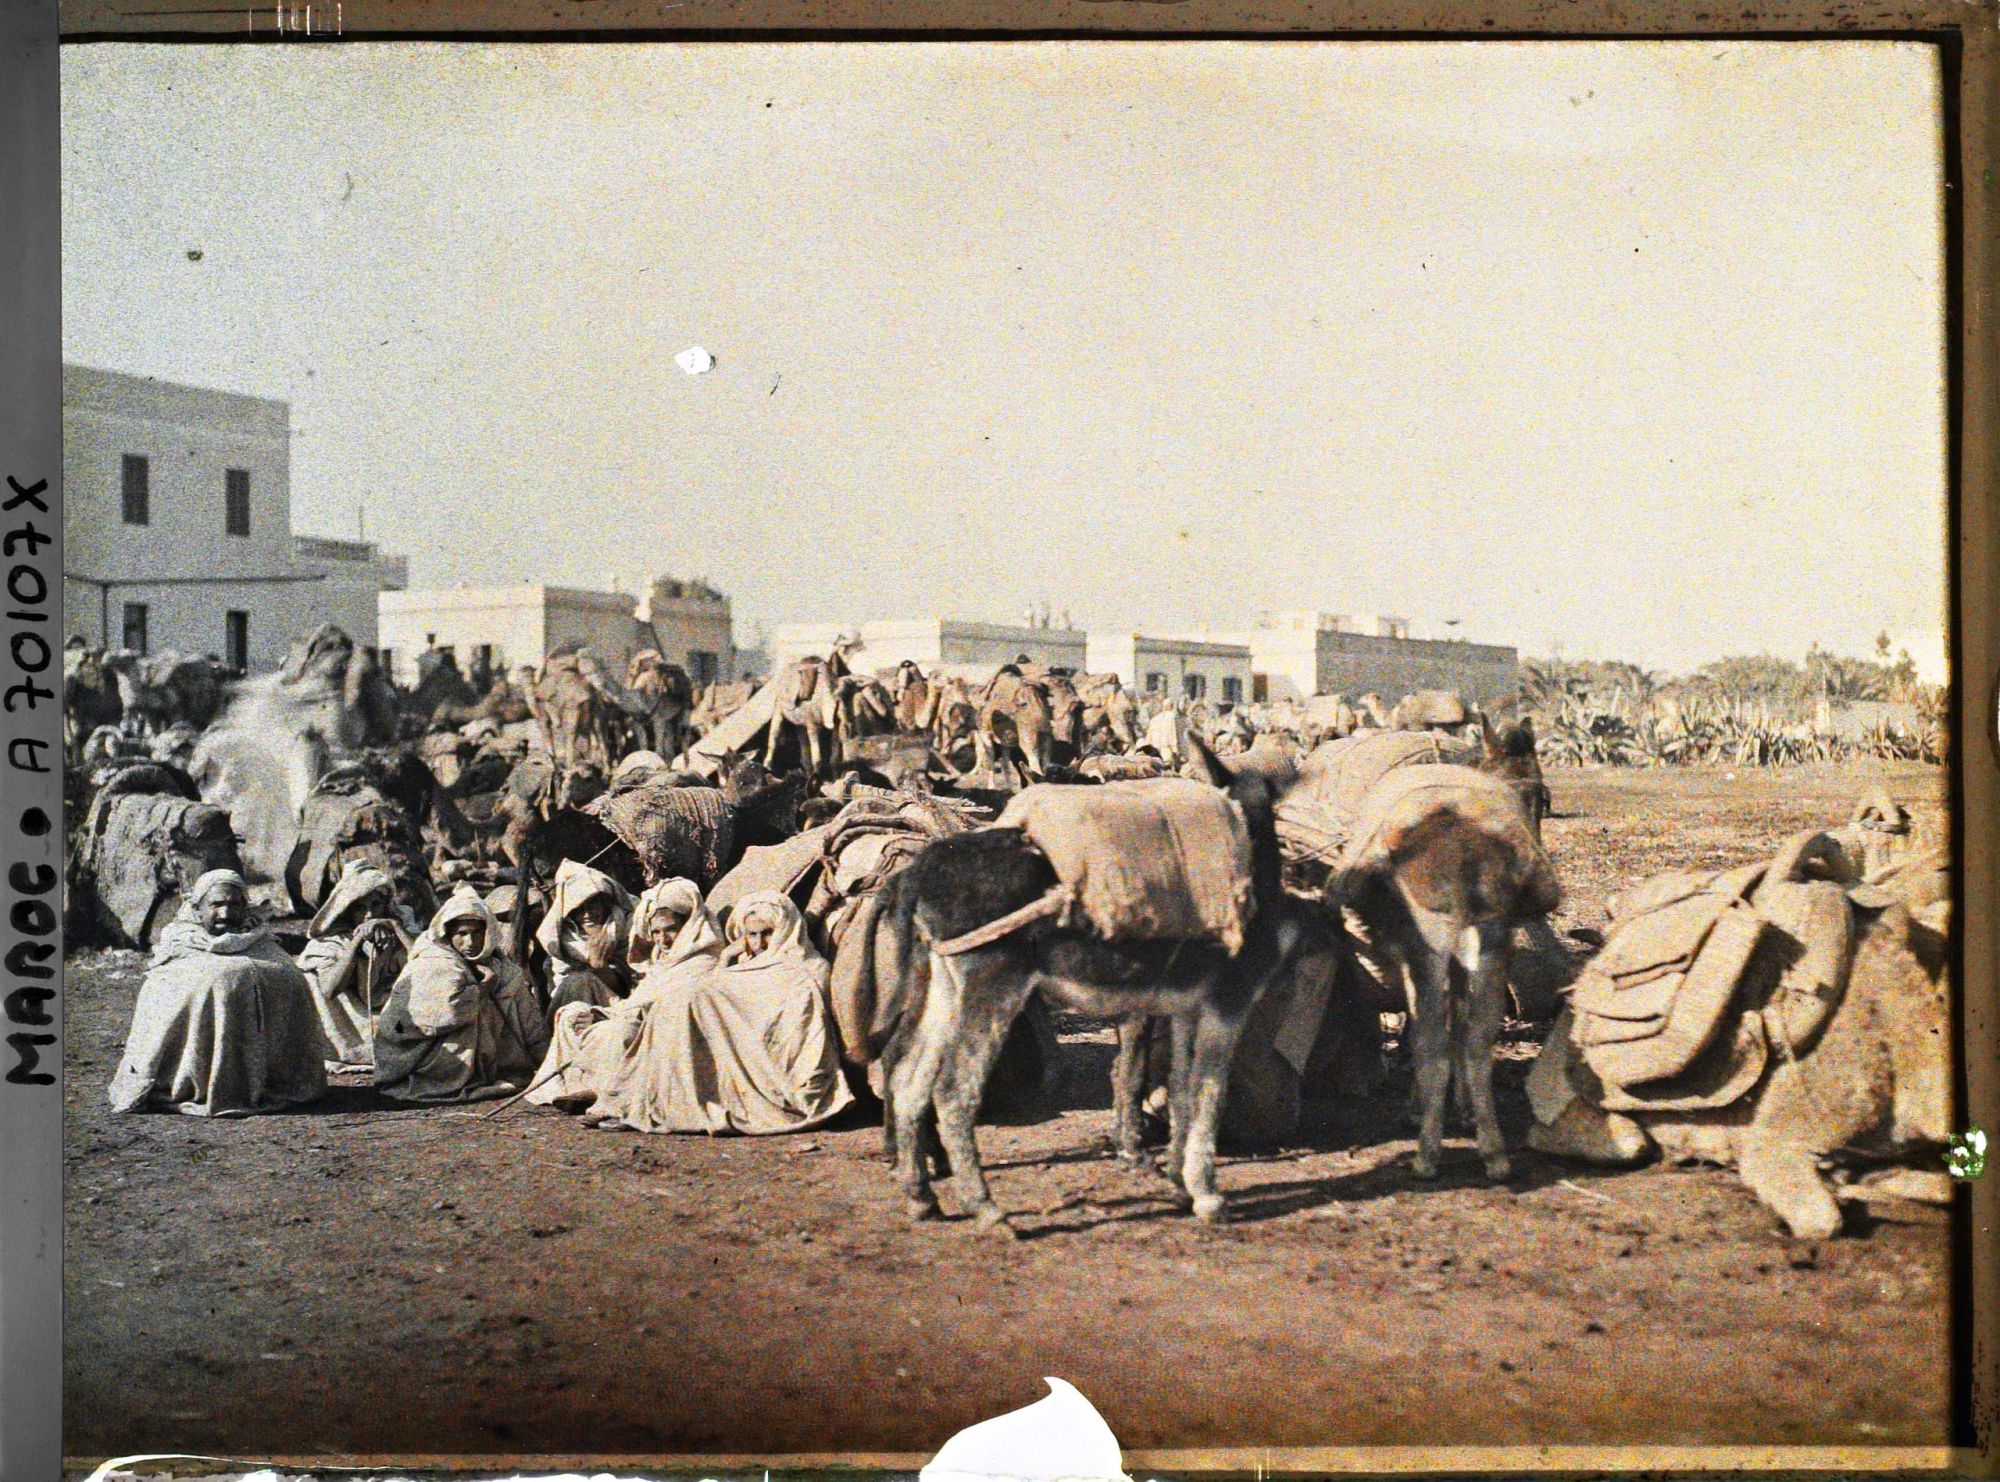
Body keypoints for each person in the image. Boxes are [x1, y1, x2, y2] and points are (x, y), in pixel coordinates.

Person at [531, 889, 853, 1135]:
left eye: (767, 933)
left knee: (674, 1010)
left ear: (785, 930)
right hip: (732, 1049)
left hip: (769, 1060)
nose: (758, 943)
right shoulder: (741, 965)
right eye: (751, 934)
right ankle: (625, 1099)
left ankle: (631, 1102)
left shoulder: (806, 968)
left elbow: (796, 1026)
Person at [108, 869, 328, 1117]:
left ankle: (272, 1081)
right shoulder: (181, 942)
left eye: (234, 904)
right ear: (198, 907)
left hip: (280, 1079)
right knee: (221, 979)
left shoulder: (260, 939)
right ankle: (199, 1082)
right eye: (216, 904)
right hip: (187, 1073)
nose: (226, 913)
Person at [526, 877, 725, 1114]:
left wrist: (609, 1016)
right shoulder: (662, 961)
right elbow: (638, 1000)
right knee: (573, 1013)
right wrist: (599, 1013)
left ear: (689, 925)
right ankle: (582, 1087)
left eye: (671, 929)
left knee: (618, 1033)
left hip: (668, 1036)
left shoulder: (701, 961)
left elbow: (659, 1011)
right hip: (637, 1019)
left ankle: (609, 1098)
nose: (663, 940)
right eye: (656, 932)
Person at [373, 887, 548, 1103]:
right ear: (448, 934)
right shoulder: (435, 962)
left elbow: (527, 1017)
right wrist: (483, 988)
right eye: (461, 934)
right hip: (424, 1058)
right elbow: (442, 1016)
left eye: (477, 933)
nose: (470, 942)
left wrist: (545, 1060)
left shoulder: (502, 966)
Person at [295, 861, 417, 1071]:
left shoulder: (397, 929)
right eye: (361, 907)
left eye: (376, 905)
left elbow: (424, 966)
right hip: (350, 1020)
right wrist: (357, 941)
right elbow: (330, 990)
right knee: (311, 979)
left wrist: (396, 928)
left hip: (387, 1010)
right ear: (347, 908)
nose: (369, 915)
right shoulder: (329, 942)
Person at [534, 860, 636, 1012]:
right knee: (578, 981)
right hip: (576, 1007)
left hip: (621, 1006)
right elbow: (564, 990)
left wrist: (601, 968)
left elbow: (633, 984)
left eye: (593, 904)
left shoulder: (627, 927)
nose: (587, 914)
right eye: (579, 908)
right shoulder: (563, 940)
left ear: (605, 903)